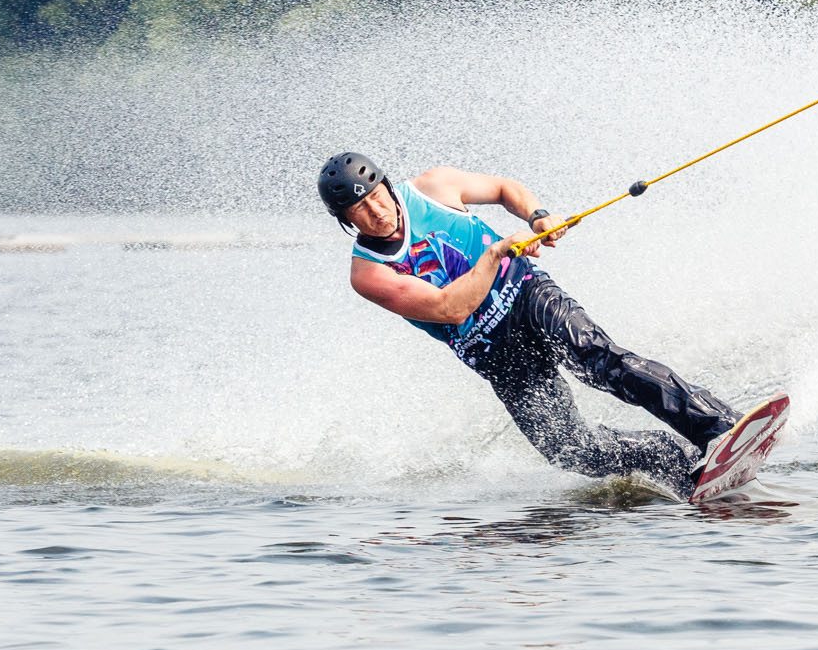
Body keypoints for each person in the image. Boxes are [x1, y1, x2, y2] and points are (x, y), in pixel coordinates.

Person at [317, 153, 740, 498]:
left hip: (527, 296)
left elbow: (503, 190)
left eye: (377, 197)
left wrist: (538, 217)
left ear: (388, 187)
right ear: (346, 220)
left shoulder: (433, 187)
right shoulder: (370, 274)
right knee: (573, 451)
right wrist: (496, 251)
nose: (376, 212)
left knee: (602, 363)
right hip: (490, 350)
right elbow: (451, 309)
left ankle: (721, 428)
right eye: (360, 209)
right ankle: (676, 464)